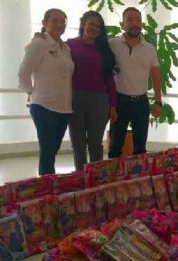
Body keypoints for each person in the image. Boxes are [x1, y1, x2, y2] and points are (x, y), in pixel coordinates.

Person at [18, 8, 74, 175]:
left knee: (53, 149)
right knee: (47, 150)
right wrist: (30, 91)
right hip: (44, 106)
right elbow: (23, 73)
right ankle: (46, 189)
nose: (59, 24)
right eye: (54, 20)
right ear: (44, 23)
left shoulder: (65, 48)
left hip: (64, 108)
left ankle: (48, 184)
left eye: (62, 21)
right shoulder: (38, 44)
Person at [66, 11, 117, 171]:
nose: (94, 28)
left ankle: (96, 179)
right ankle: (80, 178)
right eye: (91, 24)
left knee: (95, 144)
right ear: (83, 24)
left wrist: (113, 105)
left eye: (98, 26)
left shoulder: (104, 50)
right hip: (75, 99)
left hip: (99, 101)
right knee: (78, 143)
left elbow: (109, 79)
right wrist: (40, 36)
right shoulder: (69, 45)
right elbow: (50, 47)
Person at [108, 7, 162, 157]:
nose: (134, 23)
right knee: (115, 147)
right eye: (130, 20)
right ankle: (113, 179)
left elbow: (156, 76)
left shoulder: (150, 49)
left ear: (142, 24)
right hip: (119, 102)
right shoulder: (112, 44)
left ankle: (138, 180)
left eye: (138, 20)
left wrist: (158, 102)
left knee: (140, 149)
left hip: (141, 103)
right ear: (122, 24)